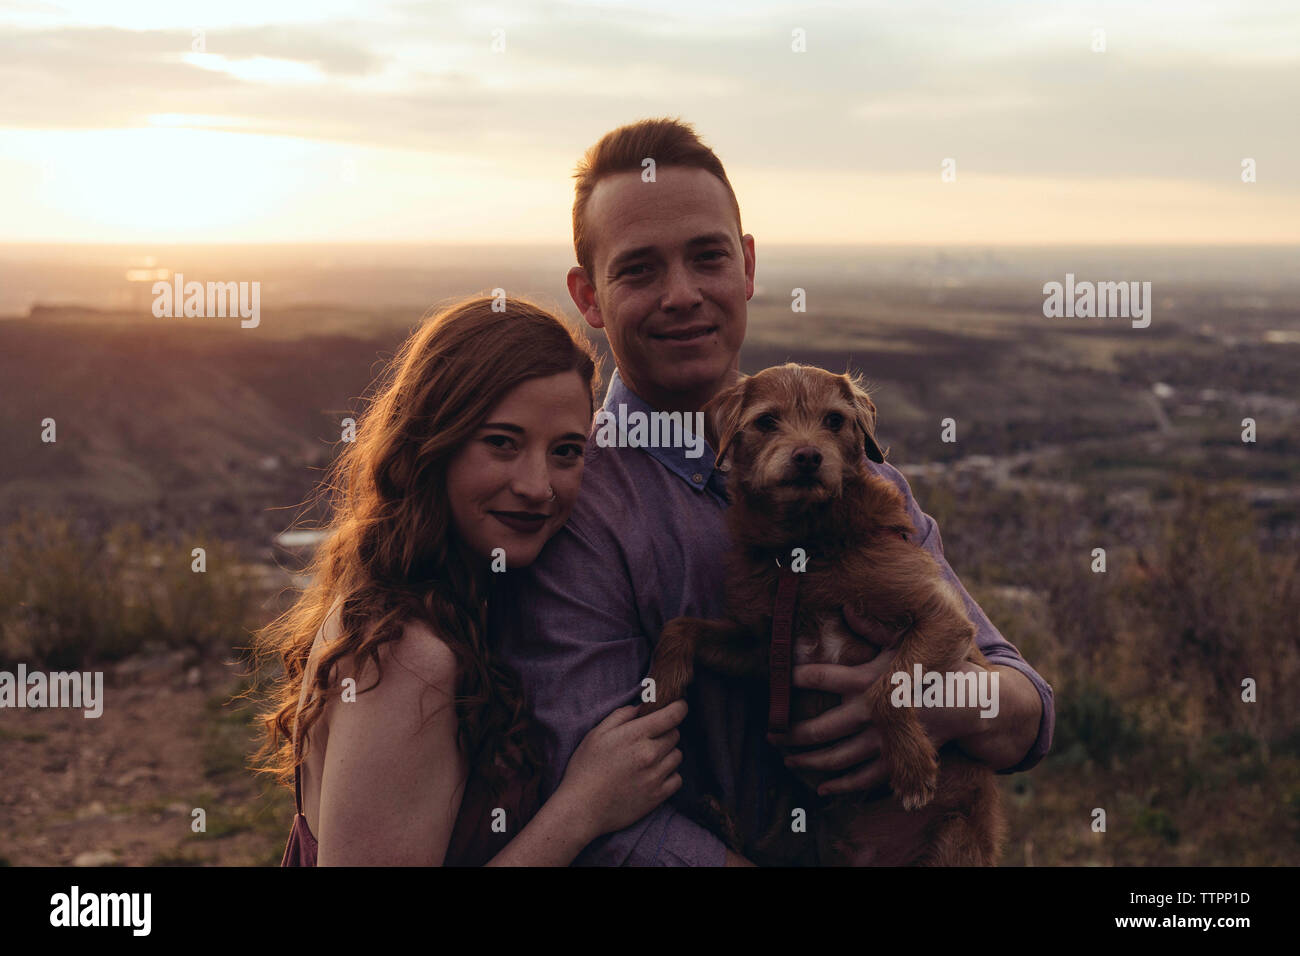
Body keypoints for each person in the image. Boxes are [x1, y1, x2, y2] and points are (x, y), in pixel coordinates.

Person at [493, 117, 1057, 865]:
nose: (683, 295)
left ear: (748, 266)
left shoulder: (861, 480)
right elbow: (596, 807)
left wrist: (932, 706)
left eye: (708, 258)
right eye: (639, 270)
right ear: (588, 297)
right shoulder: (572, 502)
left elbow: (1026, 710)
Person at [254, 295, 687, 866]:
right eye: (502, 443)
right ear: (433, 442)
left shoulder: (438, 596)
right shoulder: (408, 655)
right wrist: (584, 807)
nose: (538, 485)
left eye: (566, 451)